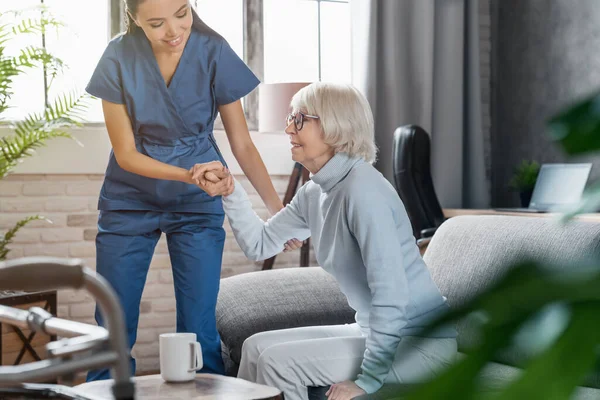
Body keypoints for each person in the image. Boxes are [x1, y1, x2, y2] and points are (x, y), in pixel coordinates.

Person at [192, 82, 458, 400]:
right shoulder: (316, 192)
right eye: (291, 117)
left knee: (279, 363)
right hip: (372, 329)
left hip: (421, 343)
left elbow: (391, 294)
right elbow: (259, 244)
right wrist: (231, 192)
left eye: (300, 119)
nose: (288, 127)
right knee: (254, 347)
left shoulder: (363, 191)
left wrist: (369, 380)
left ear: (335, 126)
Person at [85, 0, 300, 381]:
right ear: (133, 17)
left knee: (200, 329)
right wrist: (189, 175)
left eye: (182, 13)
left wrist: (278, 214)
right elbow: (126, 153)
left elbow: (243, 145)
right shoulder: (117, 56)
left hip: (198, 203)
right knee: (112, 326)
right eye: (156, 22)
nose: (174, 30)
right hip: (130, 199)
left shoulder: (212, 49)